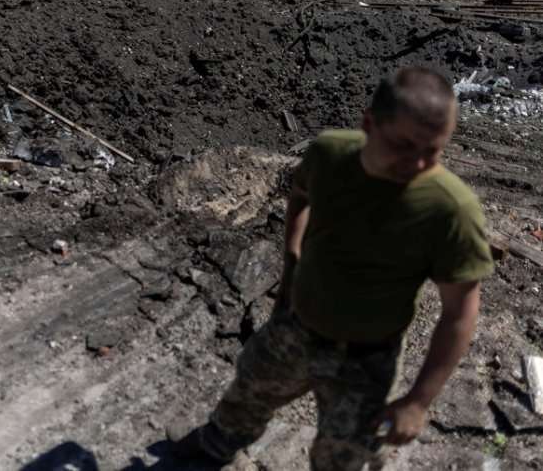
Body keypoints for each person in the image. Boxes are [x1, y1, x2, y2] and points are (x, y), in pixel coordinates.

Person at [168, 67, 493, 470]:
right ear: (369, 124)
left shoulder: (450, 210)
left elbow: (460, 313)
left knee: (342, 457)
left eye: (434, 151)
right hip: (296, 327)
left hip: (365, 357)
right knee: (247, 393)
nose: (418, 163)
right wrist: (291, 262)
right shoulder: (330, 154)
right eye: (404, 146)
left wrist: (419, 400)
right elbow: (300, 193)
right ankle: (215, 446)